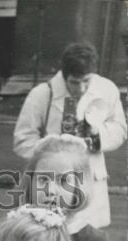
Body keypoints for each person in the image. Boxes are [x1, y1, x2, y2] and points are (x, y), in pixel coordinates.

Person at [13, 42, 127, 229]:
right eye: (74, 82)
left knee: (88, 237)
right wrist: (50, 150)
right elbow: (22, 139)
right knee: (49, 231)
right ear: (64, 75)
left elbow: (120, 129)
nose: (81, 88)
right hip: (52, 181)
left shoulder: (107, 90)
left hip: (90, 176)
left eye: (87, 81)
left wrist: (96, 138)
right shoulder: (42, 94)